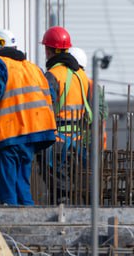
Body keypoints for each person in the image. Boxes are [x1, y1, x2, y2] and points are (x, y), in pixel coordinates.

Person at [0, 33, 57, 206]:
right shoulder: (32, 67)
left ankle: (9, 229)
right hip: (31, 136)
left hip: (8, 136)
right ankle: (29, 227)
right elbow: (51, 96)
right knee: (21, 188)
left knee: (4, 192)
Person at [41, 27, 97, 203]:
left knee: (60, 191)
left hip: (57, 141)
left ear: (49, 50)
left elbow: (45, 108)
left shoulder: (52, 75)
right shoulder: (83, 76)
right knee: (81, 187)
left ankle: (61, 213)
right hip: (80, 140)